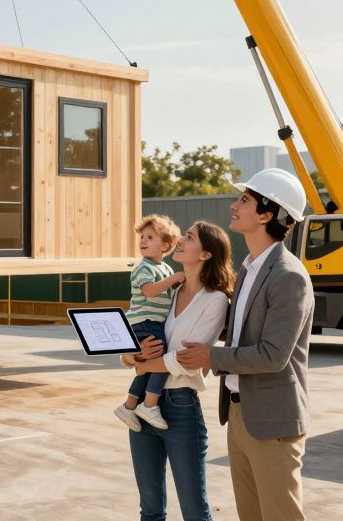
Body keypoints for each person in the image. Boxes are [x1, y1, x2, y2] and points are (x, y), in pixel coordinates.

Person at [177, 168, 314, 521]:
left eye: (244, 200)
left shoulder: (288, 276)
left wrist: (212, 356)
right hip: (240, 414)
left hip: (272, 422)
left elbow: (273, 355)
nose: (234, 206)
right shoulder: (251, 269)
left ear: (267, 215)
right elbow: (239, 338)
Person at [123, 221, 234, 521]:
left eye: (189, 237)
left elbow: (183, 359)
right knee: (150, 509)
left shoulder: (215, 300)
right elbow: (135, 345)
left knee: (194, 511)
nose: (181, 241)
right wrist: (133, 355)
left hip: (181, 407)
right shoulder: (167, 292)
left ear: (206, 255)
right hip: (144, 409)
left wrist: (142, 364)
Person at [115, 214, 184, 431]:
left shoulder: (164, 269)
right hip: (145, 323)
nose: (143, 241)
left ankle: (129, 405)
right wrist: (174, 279)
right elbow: (150, 291)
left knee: (148, 368)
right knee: (162, 362)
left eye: (150, 237)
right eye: (142, 237)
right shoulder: (143, 268)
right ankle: (150, 404)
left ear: (166, 245)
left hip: (153, 323)